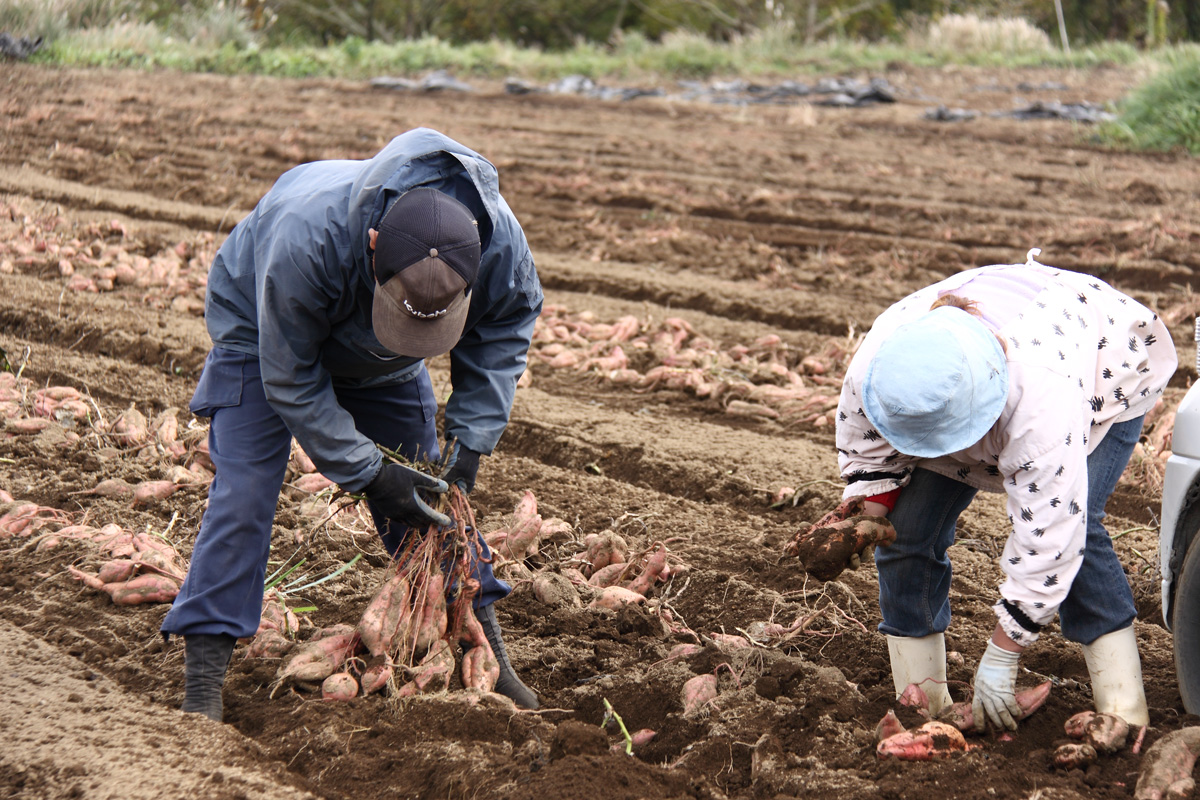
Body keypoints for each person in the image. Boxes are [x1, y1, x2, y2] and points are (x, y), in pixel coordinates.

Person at [161, 128, 544, 721]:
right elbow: (289, 377)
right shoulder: (305, 239)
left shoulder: (496, 242)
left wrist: (471, 438)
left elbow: (507, 325)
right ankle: (203, 686)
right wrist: (367, 472)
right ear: (372, 244)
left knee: (436, 504)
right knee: (244, 497)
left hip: (383, 362)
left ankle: (493, 660)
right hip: (262, 336)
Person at [826, 248, 1176, 731]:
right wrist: (864, 517)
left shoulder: (1042, 402)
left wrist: (1003, 653)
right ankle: (925, 703)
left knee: (1082, 532)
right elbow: (868, 451)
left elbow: (1051, 537)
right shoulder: (880, 367)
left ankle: (1123, 711)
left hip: (1102, 364)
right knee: (904, 532)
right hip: (961, 381)